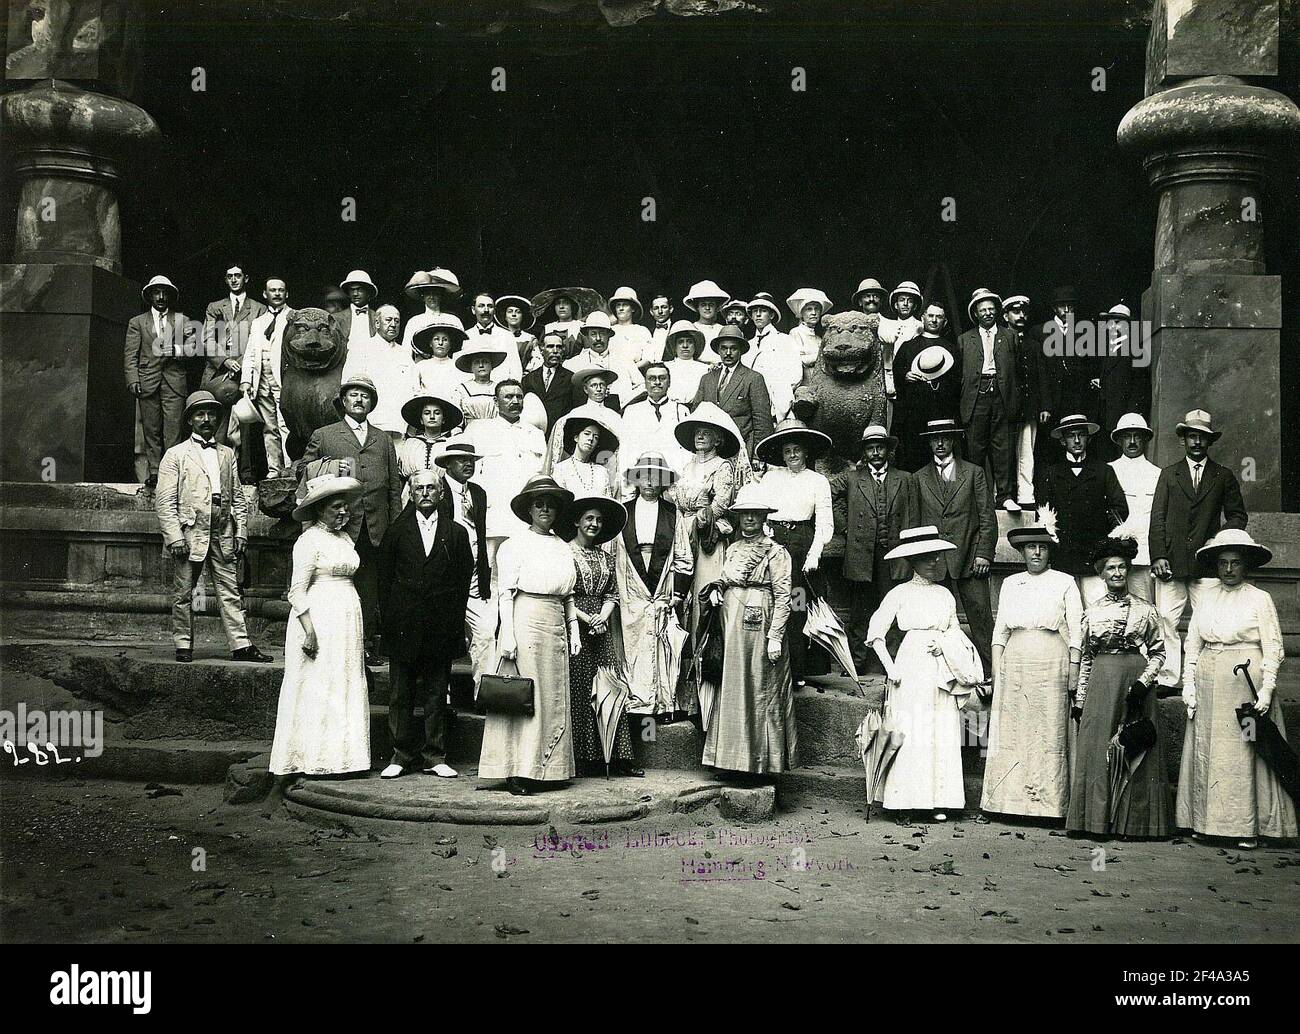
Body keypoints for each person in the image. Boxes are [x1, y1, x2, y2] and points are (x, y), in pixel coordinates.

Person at [1177, 529, 1296, 847]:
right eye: (1223, 563)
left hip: (1245, 685)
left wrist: (1267, 690)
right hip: (1209, 681)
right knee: (1209, 751)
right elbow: (1193, 644)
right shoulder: (1206, 597)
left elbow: (1274, 648)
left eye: (1236, 563)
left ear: (1246, 566)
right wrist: (1188, 685)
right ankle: (1204, 823)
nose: (1229, 570)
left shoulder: (1259, 598)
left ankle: (1246, 827)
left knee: (1244, 752)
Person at [867, 526, 983, 821]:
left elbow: (956, 632)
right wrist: (891, 669)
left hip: (939, 668)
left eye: (936, 557)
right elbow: (876, 634)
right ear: (914, 561)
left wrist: (945, 645)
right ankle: (904, 801)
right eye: (927, 558)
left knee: (939, 730)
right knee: (912, 730)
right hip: (909, 665)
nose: (934, 563)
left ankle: (937, 801)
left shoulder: (945, 595)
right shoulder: (899, 594)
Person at [478, 475, 583, 796]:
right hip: (525, 621)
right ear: (528, 509)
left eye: (551, 504)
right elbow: (505, 594)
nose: (545, 509)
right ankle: (518, 770)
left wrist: (574, 629)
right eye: (539, 503)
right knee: (525, 697)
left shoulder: (563, 548)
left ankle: (550, 769)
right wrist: (507, 634)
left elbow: (568, 596)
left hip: (555, 627)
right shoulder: (513, 546)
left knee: (552, 697)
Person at [155, 390, 272, 664]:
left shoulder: (226, 454)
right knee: (184, 592)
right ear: (189, 421)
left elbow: (238, 497)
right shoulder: (176, 455)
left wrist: (241, 530)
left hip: (222, 531)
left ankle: (240, 645)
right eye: (200, 414)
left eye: (211, 414)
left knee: (230, 590)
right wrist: (174, 537)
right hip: (190, 533)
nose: (206, 419)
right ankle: (183, 644)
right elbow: (165, 501)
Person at [1066, 536, 1171, 839]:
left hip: (1136, 681)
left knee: (1136, 745)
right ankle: (1095, 822)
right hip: (1102, 679)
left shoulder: (1146, 609)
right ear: (1101, 574)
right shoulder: (1092, 612)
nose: (1117, 573)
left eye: (1122, 567)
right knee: (1099, 747)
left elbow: (1159, 652)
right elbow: (1086, 657)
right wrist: (1080, 700)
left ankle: (1135, 824)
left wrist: (1143, 682)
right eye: (1110, 568)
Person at [269, 464, 370, 779]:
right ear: (319, 510)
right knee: (317, 686)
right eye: (335, 507)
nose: (343, 512)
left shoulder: (344, 540)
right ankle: (311, 758)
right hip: (319, 617)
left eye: (344, 506)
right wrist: (309, 632)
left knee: (343, 681)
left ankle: (344, 759)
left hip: (346, 617)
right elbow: (296, 591)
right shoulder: (308, 541)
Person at [982, 519, 1084, 821]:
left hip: (1052, 663)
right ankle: (1009, 803)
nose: (1036, 553)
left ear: (1050, 551)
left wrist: (1074, 670)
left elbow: (1077, 631)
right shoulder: (1012, 584)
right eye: (1030, 547)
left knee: (1049, 731)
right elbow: (1000, 631)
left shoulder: (1064, 581)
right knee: (1015, 732)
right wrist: (998, 671)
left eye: (1042, 547)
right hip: (1016, 663)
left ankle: (1049, 807)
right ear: (1022, 551)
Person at [377, 470, 474, 780]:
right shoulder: (396, 532)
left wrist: (454, 622)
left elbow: (462, 582)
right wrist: (391, 620)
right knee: (400, 694)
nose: (426, 493)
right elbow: (384, 582)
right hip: (404, 625)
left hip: (440, 626)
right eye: (419, 488)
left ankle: (435, 755)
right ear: (411, 493)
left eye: (432, 487)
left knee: (435, 693)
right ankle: (401, 754)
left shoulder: (456, 534)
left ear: (441, 493)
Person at [301, 374, 403, 666]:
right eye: (353, 395)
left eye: (365, 396)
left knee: (370, 591)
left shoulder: (383, 439)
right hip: (339, 525)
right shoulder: (325, 434)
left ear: (372, 403)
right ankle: (334, 642)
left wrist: (393, 527)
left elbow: (394, 488)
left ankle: (365, 644)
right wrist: (332, 467)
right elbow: (303, 471)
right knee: (338, 586)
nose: (359, 400)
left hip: (375, 528)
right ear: (343, 401)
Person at [700, 483, 798, 777]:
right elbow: (726, 578)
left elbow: (784, 597)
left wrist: (776, 636)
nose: (750, 520)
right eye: (745, 515)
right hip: (731, 622)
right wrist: (718, 588)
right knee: (733, 686)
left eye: (756, 514)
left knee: (759, 686)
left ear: (764, 517)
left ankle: (759, 763)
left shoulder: (777, 552)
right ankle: (730, 761)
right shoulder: (733, 549)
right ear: (738, 518)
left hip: (761, 620)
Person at [1149, 409, 1248, 690]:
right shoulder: (1169, 475)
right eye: (1192, 437)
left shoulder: (1223, 476)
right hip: (1171, 562)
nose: (1196, 443)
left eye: (1202, 438)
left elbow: (1238, 516)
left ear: (1209, 442)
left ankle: (1203, 676)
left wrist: (1217, 541)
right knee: (1166, 619)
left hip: (1207, 563)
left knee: (1207, 620)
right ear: (1184, 440)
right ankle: (1169, 678)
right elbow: (1157, 518)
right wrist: (1158, 555)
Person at [667, 403, 747, 715]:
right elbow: (675, 499)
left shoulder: (723, 467)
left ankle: (710, 687)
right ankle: (682, 692)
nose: (701, 436)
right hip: (681, 534)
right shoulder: (686, 466)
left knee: (703, 602)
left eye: (707, 432)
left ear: (717, 440)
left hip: (706, 541)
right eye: (698, 432)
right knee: (679, 600)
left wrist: (697, 521)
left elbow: (722, 504)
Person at [557, 495, 643, 776]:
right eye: (589, 519)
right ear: (576, 522)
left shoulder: (606, 557)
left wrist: (602, 617)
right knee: (580, 688)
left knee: (609, 686)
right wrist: (585, 618)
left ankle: (616, 756)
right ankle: (583, 758)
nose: (594, 524)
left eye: (598, 520)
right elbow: (564, 595)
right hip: (574, 624)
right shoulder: (565, 553)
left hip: (602, 627)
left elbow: (612, 594)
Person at [910, 419, 997, 679]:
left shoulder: (974, 473)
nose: (940, 443)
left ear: (953, 441)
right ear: (929, 442)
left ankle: (992, 672)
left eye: (945, 438)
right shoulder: (918, 478)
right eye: (935, 439)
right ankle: (941, 673)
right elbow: (915, 523)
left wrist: (983, 553)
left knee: (981, 619)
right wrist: (919, 564)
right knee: (936, 621)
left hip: (970, 559)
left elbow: (987, 517)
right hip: (935, 563)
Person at [613, 453, 694, 719]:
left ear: (662, 482)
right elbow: (612, 552)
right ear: (636, 480)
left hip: (662, 585)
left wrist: (678, 594)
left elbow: (683, 556)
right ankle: (635, 703)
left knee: (662, 641)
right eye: (644, 476)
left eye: (656, 477)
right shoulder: (623, 511)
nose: (649, 482)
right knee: (632, 642)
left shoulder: (673, 514)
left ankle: (662, 704)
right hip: (630, 585)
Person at [755, 418, 833, 686]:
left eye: (797, 450)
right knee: (773, 600)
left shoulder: (818, 481)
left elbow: (825, 522)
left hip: (802, 545)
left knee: (797, 604)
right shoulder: (771, 477)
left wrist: (814, 553)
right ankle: (771, 667)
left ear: (806, 451)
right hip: (775, 542)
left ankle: (797, 670)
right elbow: (760, 510)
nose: (792, 456)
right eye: (787, 451)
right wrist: (765, 535)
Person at [829, 425, 913, 674]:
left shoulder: (905, 479)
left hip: (894, 554)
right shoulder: (852, 478)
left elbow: (914, 514)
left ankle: (894, 662)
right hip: (861, 554)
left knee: (895, 609)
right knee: (859, 612)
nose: (875, 452)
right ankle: (857, 661)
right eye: (870, 448)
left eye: (880, 447)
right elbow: (829, 495)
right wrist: (845, 527)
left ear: (887, 451)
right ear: (864, 453)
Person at [1033, 414, 1128, 606]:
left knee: (1097, 607)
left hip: (1094, 556)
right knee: (1065, 609)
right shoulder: (1050, 473)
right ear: (1062, 441)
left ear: (1089, 439)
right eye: (1071, 436)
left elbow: (1120, 510)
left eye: (1081, 435)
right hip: (1063, 555)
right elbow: (1042, 514)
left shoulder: (1103, 471)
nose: (1077, 441)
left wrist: (1103, 538)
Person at [463, 380, 548, 587]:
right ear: (496, 401)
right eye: (508, 397)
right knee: (492, 579)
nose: (515, 401)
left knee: (525, 577)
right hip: (495, 519)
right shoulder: (480, 431)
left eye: (519, 397)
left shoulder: (535, 435)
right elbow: (471, 477)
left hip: (526, 521)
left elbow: (542, 476)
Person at [434, 439, 494, 685]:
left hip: (474, 577)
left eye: (471, 460)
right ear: (448, 464)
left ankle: (484, 693)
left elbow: (479, 535)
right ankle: (441, 696)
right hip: (444, 577)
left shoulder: (478, 493)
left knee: (486, 634)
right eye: (462, 460)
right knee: (443, 638)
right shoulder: (435, 490)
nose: (469, 464)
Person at [125, 275, 192, 491]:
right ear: (150, 296)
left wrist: (175, 350)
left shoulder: (182, 320)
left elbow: (193, 348)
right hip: (147, 381)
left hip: (174, 382)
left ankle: (171, 471)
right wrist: (133, 379)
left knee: (173, 428)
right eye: (156, 292)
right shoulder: (137, 322)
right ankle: (154, 471)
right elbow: (130, 355)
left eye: (165, 293)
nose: (161, 297)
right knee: (151, 428)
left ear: (170, 296)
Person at [958, 288, 1020, 511]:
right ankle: (977, 497)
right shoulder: (964, 339)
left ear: (997, 311)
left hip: (1002, 395)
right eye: (982, 310)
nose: (987, 313)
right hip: (977, 396)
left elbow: (1018, 371)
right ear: (975, 313)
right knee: (975, 449)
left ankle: (1005, 496)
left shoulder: (1009, 336)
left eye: (991, 309)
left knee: (1003, 448)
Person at [201, 264, 266, 449]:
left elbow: (258, 341)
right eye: (230, 276)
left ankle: (245, 472)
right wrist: (225, 361)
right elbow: (207, 339)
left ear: (246, 278)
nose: (234, 280)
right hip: (217, 372)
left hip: (246, 371)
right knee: (215, 418)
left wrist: (240, 363)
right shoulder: (215, 307)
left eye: (238, 275)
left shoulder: (258, 308)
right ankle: (217, 464)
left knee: (245, 420)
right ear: (226, 279)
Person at [690, 326, 774, 463]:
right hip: (711, 454)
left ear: (741, 350)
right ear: (718, 350)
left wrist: (758, 457)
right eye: (724, 348)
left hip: (742, 452)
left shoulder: (753, 378)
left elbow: (763, 423)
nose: (728, 353)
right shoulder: (707, 379)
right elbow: (696, 415)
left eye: (733, 348)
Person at [892, 305, 960, 471]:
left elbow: (958, 381)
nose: (934, 320)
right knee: (912, 454)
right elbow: (896, 376)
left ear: (944, 321)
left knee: (942, 456)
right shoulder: (908, 347)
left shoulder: (952, 348)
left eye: (939, 317)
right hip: (913, 414)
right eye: (930, 315)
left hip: (942, 412)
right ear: (922, 318)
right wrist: (905, 376)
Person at [238, 278, 293, 478]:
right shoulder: (258, 322)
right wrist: (246, 380)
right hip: (262, 382)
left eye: (281, 290)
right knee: (269, 428)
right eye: (272, 290)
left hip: (284, 382)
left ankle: (289, 468)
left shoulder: (293, 317)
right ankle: (274, 469)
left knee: (286, 425)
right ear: (265, 294)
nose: (277, 294)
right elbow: (251, 353)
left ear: (286, 294)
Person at [1107, 413, 1160, 602]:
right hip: (1113, 557)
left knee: (1143, 609)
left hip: (1142, 557)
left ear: (1145, 439)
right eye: (1127, 436)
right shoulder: (1107, 471)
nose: (1132, 441)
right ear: (1119, 440)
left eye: (1137, 436)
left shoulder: (1157, 474)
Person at [342, 303, 416, 438]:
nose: (393, 324)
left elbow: (414, 389)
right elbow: (348, 388)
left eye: (397, 321)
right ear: (377, 323)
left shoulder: (404, 354)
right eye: (388, 320)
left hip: (400, 427)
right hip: (370, 425)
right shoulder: (360, 349)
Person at [1001, 294, 1044, 506]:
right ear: (1005, 315)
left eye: (1023, 312)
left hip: (1027, 408)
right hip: (1005, 408)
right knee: (1004, 454)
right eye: (1015, 312)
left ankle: (1026, 495)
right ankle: (1004, 496)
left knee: (1027, 452)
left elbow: (1041, 377)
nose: (1020, 316)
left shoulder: (1033, 344)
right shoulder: (1000, 341)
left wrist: (1044, 405)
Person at [1094, 303, 1149, 461]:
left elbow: (1140, 386)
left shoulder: (1136, 350)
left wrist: (1131, 418)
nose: (1112, 326)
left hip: (1122, 417)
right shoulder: (1109, 349)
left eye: (1117, 322)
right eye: (1110, 322)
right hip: (1107, 416)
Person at [620, 362, 691, 475]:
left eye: (662, 378)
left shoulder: (682, 411)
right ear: (645, 383)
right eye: (652, 378)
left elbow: (687, 454)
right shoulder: (632, 411)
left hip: (673, 478)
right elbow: (625, 451)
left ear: (669, 382)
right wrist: (629, 489)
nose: (657, 382)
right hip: (642, 480)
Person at [745, 292, 801, 423]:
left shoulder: (785, 340)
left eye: (763, 311)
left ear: (771, 314)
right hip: (750, 406)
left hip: (779, 405)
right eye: (755, 311)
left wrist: (779, 402)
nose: (758, 314)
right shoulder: (748, 346)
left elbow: (795, 375)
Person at [562, 310, 642, 401]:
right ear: (587, 337)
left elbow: (642, 386)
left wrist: (625, 401)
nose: (598, 338)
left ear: (609, 335)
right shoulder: (573, 364)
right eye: (593, 334)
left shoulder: (624, 360)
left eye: (602, 333)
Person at [875, 281, 923, 426]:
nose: (905, 304)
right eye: (902, 300)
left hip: (911, 378)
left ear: (914, 306)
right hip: (890, 379)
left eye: (910, 301)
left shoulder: (919, 326)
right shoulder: (886, 325)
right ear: (896, 304)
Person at [549, 408, 621, 498]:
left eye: (596, 437)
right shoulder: (561, 469)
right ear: (576, 438)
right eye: (587, 434)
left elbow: (606, 502)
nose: (591, 439)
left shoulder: (601, 471)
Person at [396, 394, 464, 487]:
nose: (432, 417)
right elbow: (400, 477)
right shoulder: (410, 444)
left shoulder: (448, 446)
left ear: (443, 419)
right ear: (421, 420)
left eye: (437, 413)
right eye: (427, 413)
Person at [521, 330, 576, 436]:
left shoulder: (572, 379)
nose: (555, 351)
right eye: (550, 346)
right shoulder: (528, 379)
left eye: (559, 347)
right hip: (533, 435)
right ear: (542, 349)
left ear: (563, 350)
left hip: (561, 435)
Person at [401, 268, 464, 354]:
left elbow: (461, 349)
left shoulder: (453, 320)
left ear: (441, 296)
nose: (431, 297)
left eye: (435, 293)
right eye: (428, 293)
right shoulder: (414, 322)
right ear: (423, 296)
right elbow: (406, 352)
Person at [464, 292, 524, 382]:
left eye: (490, 306)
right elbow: (462, 369)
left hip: (501, 390)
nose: (486, 310)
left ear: (494, 310)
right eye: (481, 306)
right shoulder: (465, 336)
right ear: (473, 310)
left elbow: (515, 369)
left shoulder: (507, 335)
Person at [412, 315, 469, 400]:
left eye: (445, 340)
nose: (440, 343)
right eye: (436, 339)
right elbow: (415, 392)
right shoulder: (421, 366)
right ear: (430, 344)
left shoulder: (458, 366)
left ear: (450, 345)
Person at [451, 339, 507, 424]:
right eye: (476, 363)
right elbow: (457, 416)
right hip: (471, 430)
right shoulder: (462, 389)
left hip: (495, 429)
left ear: (491, 366)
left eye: (485, 362)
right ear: (471, 368)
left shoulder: (499, 388)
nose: (481, 365)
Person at [663, 320, 710, 404]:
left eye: (690, 342)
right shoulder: (665, 367)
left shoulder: (705, 369)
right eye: (680, 342)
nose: (685, 346)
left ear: (695, 345)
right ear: (674, 346)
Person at [607, 286, 654, 368]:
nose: (621, 308)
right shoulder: (609, 330)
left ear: (633, 309)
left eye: (625, 305)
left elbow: (648, 358)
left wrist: (630, 370)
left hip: (636, 374)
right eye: (618, 305)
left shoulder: (641, 331)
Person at [336, 270, 380, 350]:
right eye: (352, 290)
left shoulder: (377, 317)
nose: (355, 294)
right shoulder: (337, 318)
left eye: (359, 289)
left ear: (368, 292)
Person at [786, 287, 831, 367]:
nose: (813, 313)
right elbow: (797, 360)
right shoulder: (796, 333)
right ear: (801, 313)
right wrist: (823, 355)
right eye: (809, 309)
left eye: (816, 309)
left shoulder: (819, 338)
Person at [494, 293, 538, 373]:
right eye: (510, 311)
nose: (513, 315)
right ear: (505, 316)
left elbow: (537, 363)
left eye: (518, 312)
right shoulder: (498, 336)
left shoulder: (530, 338)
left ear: (522, 316)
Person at [683, 279, 730, 351]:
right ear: (697, 307)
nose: (707, 308)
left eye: (711, 304)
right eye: (703, 305)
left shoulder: (723, 330)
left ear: (716, 307)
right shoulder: (691, 329)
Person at [648, 293, 675, 358]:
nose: (660, 311)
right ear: (651, 311)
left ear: (671, 309)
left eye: (664, 307)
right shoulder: (647, 332)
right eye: (656, 308)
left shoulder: (676, 329)